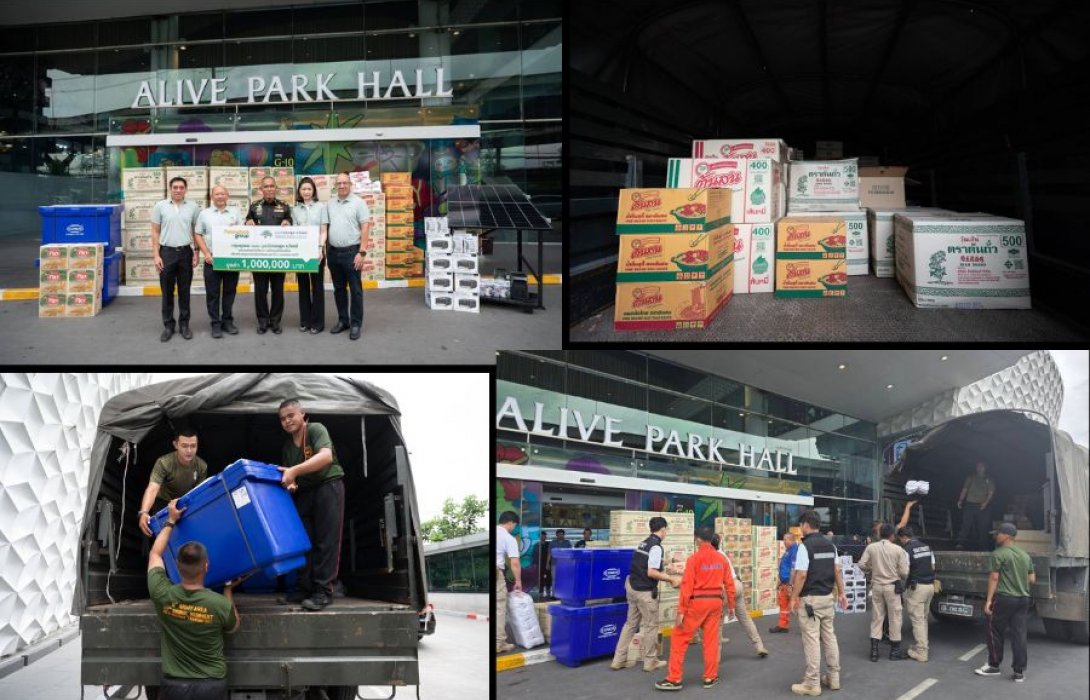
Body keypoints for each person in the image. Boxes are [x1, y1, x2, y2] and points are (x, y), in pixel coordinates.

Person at [148, 498, 239, 700]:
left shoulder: (162, 594)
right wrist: (228, 590)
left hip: (174, 685)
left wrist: (171, 521)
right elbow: (233, 627)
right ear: (206, 566)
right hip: (211, 685)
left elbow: (155, 554)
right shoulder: (219, 604)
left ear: (176, 565)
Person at [276, 398, 344, 611]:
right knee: (304, 543)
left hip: (328, 486)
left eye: (291, 415)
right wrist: (291, 484)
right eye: (283, 419)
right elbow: (292, 479)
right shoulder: (288, 447)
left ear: (302, 414)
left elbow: (325, 457)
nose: (287, 421)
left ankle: (323, 591)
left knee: (326, 541)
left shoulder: (315, 429)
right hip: (305, 493)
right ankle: (304, 588)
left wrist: (294, 471)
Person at [655, 526, 735, 691]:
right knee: (711, 641)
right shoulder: (722, 559)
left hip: (697, 603)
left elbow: (687, 586)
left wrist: (681, 611)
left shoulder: (694, 559)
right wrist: (731, 606)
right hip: (715, 603)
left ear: (698, 539)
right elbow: (729, 584)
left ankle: (674, 679)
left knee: (679, 638)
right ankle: (710, 677)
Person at [788, 510, 848, 696]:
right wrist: (842, 593)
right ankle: (833, 677)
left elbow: (801, 575)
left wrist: (794, 597)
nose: (800, 529)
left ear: (806, 524)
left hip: (810, 601)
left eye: (801, 525)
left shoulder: (804, 547)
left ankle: (812, 683)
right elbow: (837, 571)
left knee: (812, 640)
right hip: (827, 598)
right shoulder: (831, 546)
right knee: (829, 637)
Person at [611, 517, 681, 672]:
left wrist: (671, 560)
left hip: (632, 587)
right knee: (650, 626)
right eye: (666, 530)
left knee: (630, 624)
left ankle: (618, 660)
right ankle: (650, 662)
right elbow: (652, 572)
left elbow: (648, 561)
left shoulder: (644, 543)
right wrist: (671, 578)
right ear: (663, 529)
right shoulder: (656, 547)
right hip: (644, 592)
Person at [975, 522, 1035, 683]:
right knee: (1019, 634)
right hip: (1023, 599)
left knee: (994, 630)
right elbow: (1032, 579)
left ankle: (993, 666)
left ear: (1007, 536)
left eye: (998, 534)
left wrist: (988, 601)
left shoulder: (998, 553)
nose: (996, 536)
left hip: (1005, 598)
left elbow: (994, 578)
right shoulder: (1025, 555)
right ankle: (1019, 672)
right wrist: (1018, 581)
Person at [151, 176, 200, 342]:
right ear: (170, 189)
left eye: (181, 187)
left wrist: (196, 252)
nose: (178, 190)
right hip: (166, 253)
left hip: (186, 252)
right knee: (167, 292)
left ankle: (184, 325)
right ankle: (168, 326)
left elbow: (196, 231)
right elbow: (155, 232)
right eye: (175, 187)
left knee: (185, 291)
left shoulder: (193, 207)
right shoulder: (160, 206)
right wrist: (156, 255)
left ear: (186, 189)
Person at [326, 173, 372, 340]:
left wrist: (362, 252)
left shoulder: (359, 203)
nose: (342, 186)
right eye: (339, 183)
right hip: (333, 253)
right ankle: (343, 320)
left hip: (352, 253)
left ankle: (356, 324)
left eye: (345, 183)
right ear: (335, 186)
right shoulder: (330, 204)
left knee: (355, 290)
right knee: (338, 289)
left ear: (350, 184)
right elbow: (325, 227)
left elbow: (365, 227)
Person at [138, 429, 208, 537]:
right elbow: (153, 488)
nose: (189, 450)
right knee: (161, 535)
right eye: (184, 446)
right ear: (176, 445)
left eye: (193, 446)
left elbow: (199, 493)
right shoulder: (164, 462)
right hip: (163, 502)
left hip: (185, 502)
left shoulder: (201, 466)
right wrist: (144, 512)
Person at [245, 176, 293, 334]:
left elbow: (290, 222)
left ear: (276, 188)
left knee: (278, 290)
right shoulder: (254, 207)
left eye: (272, 186)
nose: (269, 189)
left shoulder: (284, 206)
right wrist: (248, 222)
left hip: (278, 255)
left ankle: (276, 321)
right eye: (266, 186)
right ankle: (263, 321)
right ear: (261, 189)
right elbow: (247, 222)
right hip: (259, 255)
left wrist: (288, 223)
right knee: (260, 291)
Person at [194, 185, 243, 338]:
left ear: (227, 196)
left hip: (231, 259)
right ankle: (215, 323)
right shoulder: (204, 214)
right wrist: (206, 253)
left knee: (230, 292)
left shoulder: (235, 213)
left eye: (222, 194)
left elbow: (243, 233)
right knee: (212, 293)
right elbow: (197, 234)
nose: (220, 196)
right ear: (212, 197)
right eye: (217, 194)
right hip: (212, 259)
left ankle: (227, 321)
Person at [859, 523, 910, 661]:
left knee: (877, 617)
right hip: (892, 587)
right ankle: (894, 651)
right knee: (895, 618)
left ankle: (874, 652)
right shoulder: (898, 550)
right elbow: (904, 573)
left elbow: (861, 564)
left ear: (879, 534)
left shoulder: (871, 547)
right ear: (892, 535)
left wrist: (871, 569)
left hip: (876, 586)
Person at [717, 536, 769, 658]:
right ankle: (759, 646)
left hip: (727, 588)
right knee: (745, 618)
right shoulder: (722, 553)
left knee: (717, 622)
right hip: (737, 584)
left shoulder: (713, 556)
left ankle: (715, 656)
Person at [292, 177, 327, 334]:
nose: (306, 192)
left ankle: (317, 323)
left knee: (317, 287)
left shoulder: (321, 207)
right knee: (303, 286)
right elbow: (293, 232)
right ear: (299, 191)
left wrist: (320, 248)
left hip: (317, 252)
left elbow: (323, 230)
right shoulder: (295, 210)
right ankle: (305, 320)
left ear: (313, 191)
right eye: (303, 189)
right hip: (300, 252)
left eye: (309, 189)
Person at [897, 526, 936, 662]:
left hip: (917, 588)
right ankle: (922, 645)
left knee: (917, 620)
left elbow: (904, 572)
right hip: (930, 586)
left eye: (900, 539)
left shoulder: (906, 550)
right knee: (923, 618)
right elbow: (933, 566)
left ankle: (922, 652)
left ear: (903, 537)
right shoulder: (927, 547)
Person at [495, 511, 521, 654]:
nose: (514, 528)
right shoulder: (508, 538)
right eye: (515, 525)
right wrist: (518, 581)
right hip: (497, 572)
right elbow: (515, 563)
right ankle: (499, 643)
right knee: (499, 607)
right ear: (510, 523)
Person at [957, 461, 996, 550]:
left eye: (982, 466)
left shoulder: (989, 480)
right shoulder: (971, 478)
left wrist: (985, 503)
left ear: (985, 468)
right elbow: (964, 489)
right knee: (966, 525)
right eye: (978, 466)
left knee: (983, 527)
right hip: (970, 504)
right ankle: (960, 543)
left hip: (982, 506)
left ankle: (983, 547)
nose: (980, 468)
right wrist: (960, 500)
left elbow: (991, 493)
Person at [771, 532, 798, 633]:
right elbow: (784, 567)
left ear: (791, 540)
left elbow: (793, 568)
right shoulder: (788, 550)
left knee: (798, 606)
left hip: (791, 583)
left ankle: (811, 627)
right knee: (783, 605)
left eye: (785, 540)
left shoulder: (794, 550)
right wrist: (780, 581)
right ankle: (783, 625)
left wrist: (791, 584)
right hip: (785, 583)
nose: (783, 542)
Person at [534, 531, 552, 598]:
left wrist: (549, 563)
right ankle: (541, 591)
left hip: (547, 563)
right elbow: (535, 555)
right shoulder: (537, 545)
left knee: (548, 577)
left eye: (544, 536)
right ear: (539, 537)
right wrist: (535, 564)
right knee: (540, 577)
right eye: (542, 536)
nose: (543, 537)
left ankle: (548, 590)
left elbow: (550, 554)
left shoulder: (549, 544)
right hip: (540, 563)